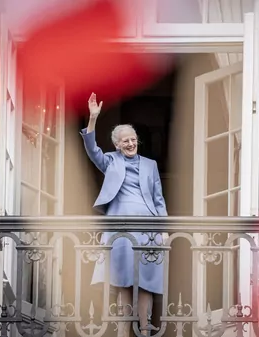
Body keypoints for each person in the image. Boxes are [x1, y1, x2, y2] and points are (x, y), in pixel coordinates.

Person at [80, 93, 167, 337]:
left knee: (147, 279)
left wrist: (164, 230)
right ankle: (122, 329)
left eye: (132, 140)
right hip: (120, 226)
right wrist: (93, 119)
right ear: (117, 145)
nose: (130, 144)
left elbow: (159, 200)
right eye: (124, 141)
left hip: (147, 228)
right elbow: (92, 149)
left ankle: (146, 328)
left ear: (137, 140)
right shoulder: (110, 161)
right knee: (123, 279)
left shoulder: (150, 165)